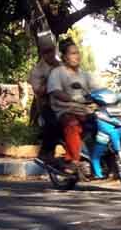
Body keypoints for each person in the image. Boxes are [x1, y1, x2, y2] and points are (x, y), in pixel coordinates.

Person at [47, 39, 101, 172]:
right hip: (65, 110)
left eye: (78, 53)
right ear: (64, 57)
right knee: (72, 124)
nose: (77, 56)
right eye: (72, 53)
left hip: (84, 110)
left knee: (105, 124)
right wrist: (72, 99)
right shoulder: (58, 72)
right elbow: (55, 91)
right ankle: (73, 161)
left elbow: (97, 88)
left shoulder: (85, 75)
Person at [29, 41, 61, 164]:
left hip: (66, 103)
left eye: (52, 51)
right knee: (54, 123)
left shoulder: (61, 65)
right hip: (47, 105)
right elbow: (39, 91)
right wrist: (50, 77)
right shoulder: (37, 71)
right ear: (42, 53)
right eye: (47, 52)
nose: (50, 54)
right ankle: (46, 153)